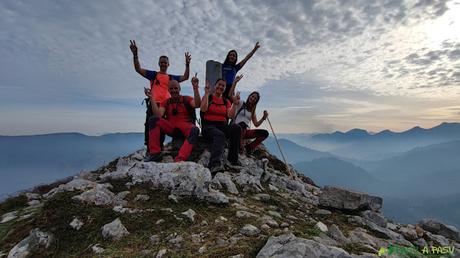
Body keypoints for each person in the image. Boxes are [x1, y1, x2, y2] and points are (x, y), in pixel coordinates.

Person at [129, 40, 191, 151]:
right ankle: (150, 149)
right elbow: (138, 69)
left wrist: (187, 64)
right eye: (161, 62)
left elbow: (186, 77)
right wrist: (135, 55)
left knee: (161, 127)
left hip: (166, 105)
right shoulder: (153, 75)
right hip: (153, 104)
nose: (163, 64)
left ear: (168, 64)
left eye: (165, 62)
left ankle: (159, 148)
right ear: (159, 63)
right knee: (150, 126)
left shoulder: (172, 78)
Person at [144, 76, 201, 162]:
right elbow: (158, 115)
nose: (174, 90)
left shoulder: (186, 99)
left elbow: (197, 104)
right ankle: (155, 153)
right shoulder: (165, 102)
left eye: (175, 88)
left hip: (186, 128)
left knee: (195, 130)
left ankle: (180, 158)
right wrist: (152, 98)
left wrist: (195, 88)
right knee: (153, 120)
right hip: (172, 128)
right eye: (171, 89)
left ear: (179, 88)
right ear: (168, 90)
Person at [200, 79, 241, 173]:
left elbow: (230, 116)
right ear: (215, 86)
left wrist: (234, 104)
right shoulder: (208, 97)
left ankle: (233, 159)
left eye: (223, 86)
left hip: (222, 125)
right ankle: (214, 164)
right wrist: (206, 94)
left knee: (236, 128)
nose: (221, 87)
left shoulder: (226, 101)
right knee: (220, 135)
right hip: (208, 126)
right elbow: (203, 109)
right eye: (219, 85)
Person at [233, 91, 269, 156]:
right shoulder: (241, 103)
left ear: (256, 101)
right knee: (243, 124)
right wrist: (235, 84)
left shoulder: (252, 111)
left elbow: (256, 124)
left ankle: (249, 147)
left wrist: (263, 118)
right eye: (252, 96)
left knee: (265, 133)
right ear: (249, 96)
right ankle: (240, 145)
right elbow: (231, 97)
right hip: (235, 129)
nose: (253, 99)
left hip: (245, 131)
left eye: (255, 98)